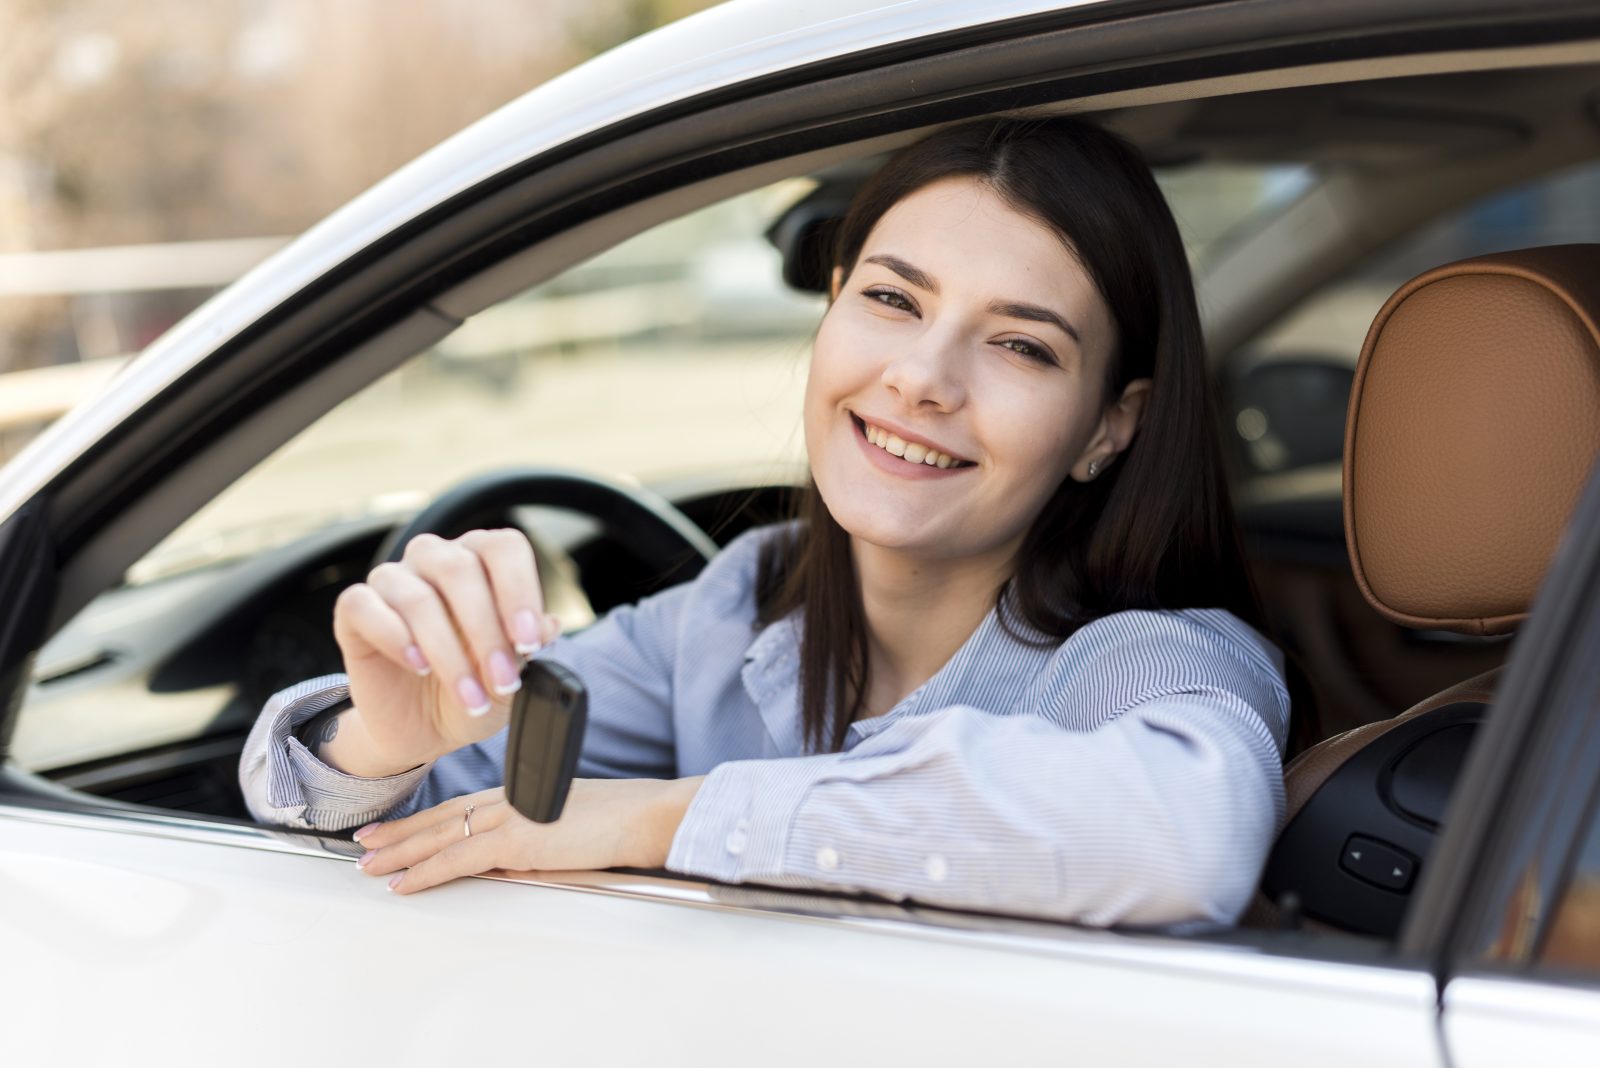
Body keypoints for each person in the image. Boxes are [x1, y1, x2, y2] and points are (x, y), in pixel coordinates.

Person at [239, 117, 1290, 928]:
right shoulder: (737, 603)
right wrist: (389, 733)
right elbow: (415, 829)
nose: (920, 377)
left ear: (1111, 425)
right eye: (891, 300)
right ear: (830, 304)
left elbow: (1182, 840)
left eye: (1020, 346)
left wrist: (665, 818)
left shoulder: (1150, 659)